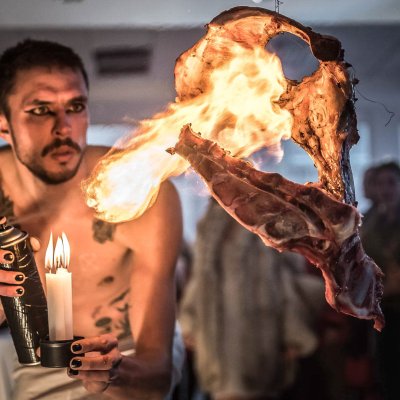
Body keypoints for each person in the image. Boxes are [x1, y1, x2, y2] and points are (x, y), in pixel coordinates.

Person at [0, 39, 184, 400]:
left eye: (76, 106)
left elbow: (157, 375)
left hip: (126, 357)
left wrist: (113, 372)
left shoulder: (136, 189)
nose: (64, 127)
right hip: (35, 364)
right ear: (4, 124)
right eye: (40, 110)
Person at [179, 199, 325, 400]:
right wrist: (190, 322)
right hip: (217, 341)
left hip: (259, 339)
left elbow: (288, 278)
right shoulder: (212, 221)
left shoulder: (271, 216)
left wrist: (292, 333)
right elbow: (201, 278)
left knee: (254, 388)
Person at [360, 161, 400, 400]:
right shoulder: (371, 221)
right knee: (386, 374)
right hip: (382, 311)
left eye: (391, 183)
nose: (385, 189)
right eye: (380, 183)